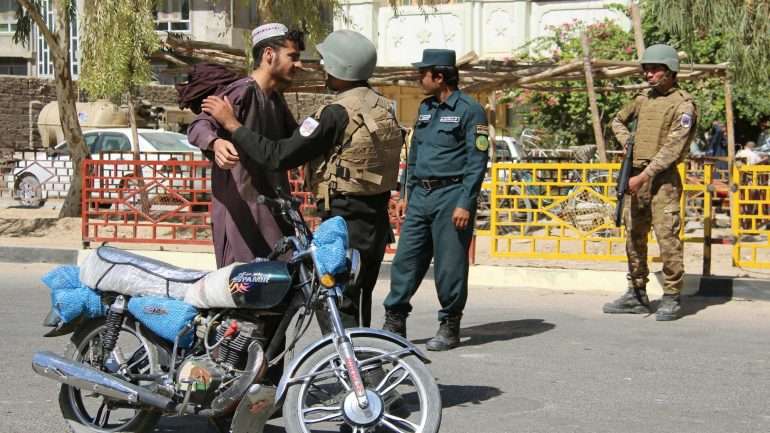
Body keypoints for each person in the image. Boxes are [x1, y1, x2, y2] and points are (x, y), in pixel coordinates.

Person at [201, 30, 402, 328]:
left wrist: (232, 124)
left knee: (337, 303)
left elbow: (278, 155)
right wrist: (214, 140)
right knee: (358, 299)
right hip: (374, 222)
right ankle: (364, 365)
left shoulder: (334, 113)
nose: (319, 67)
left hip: (344, 222)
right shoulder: (382, 105)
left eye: (326, 62)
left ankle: (356, 369)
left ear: (341, 68)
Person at [381, 49, 489, 351]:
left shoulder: (470, 110)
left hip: (452, 195)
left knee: (449, 265)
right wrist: (406, 194)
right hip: (421, 197)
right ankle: (395, 319)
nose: (419, 79)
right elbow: (414, 155)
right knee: (406, 260)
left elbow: (477, 160)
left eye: (423, 74)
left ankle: (450, 324)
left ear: (439, 76)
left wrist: (465, 202)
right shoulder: (426, 108)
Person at [187, 23, 304, 268]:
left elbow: (294, 140)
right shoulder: (242, 92)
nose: (299, 65)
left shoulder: (274, 99)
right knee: (245, 287)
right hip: (242, 212)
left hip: (272, 208)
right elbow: (198, 125)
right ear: (269, 55)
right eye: (293, 57)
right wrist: (216, 143)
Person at [603, 44, 698, 321]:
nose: (649, 75)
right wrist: (627, 142)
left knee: (667, 238)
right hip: (635, 177)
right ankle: (636, 292)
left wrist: (644, 176)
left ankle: (671, 296)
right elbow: (617, 121)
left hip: (662, 181)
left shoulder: (684, 105)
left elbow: (672, 148)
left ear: (670, 72)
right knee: (633, 235)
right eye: (647, 70)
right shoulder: (642, 99)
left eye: (655, 70)